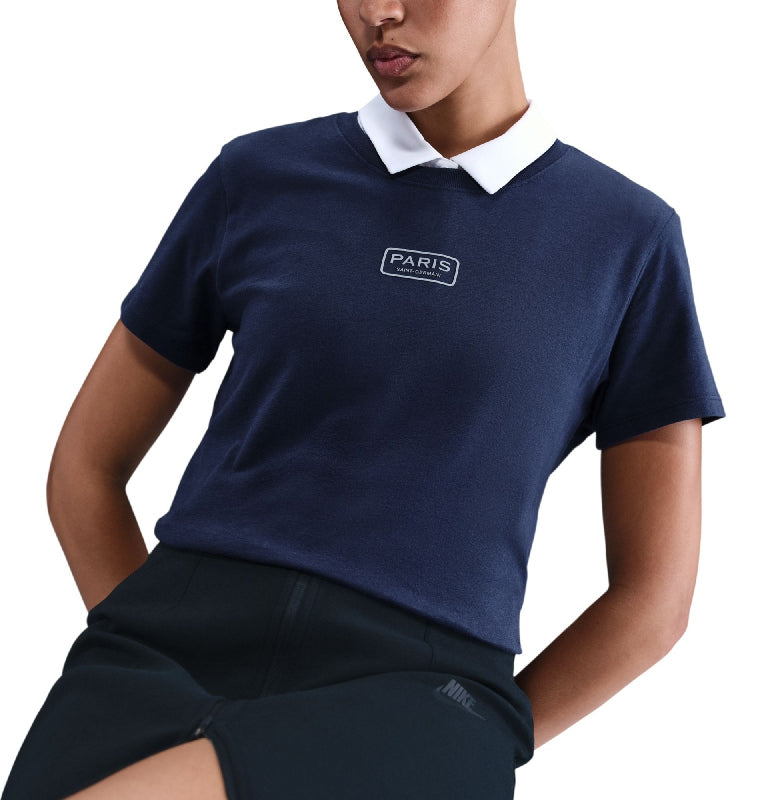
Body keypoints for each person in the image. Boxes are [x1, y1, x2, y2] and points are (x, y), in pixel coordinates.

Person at [2, 0, 726, 798]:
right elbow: (85, 468)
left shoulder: (626, 240)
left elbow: (655, 600)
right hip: (160, 652)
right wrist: (139, 632)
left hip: (417, 689)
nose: (379, 12)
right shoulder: (258, 177)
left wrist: (482, 735)